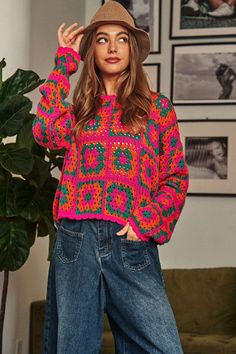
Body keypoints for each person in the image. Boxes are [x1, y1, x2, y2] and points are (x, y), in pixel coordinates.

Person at [32, 1, 189, 353]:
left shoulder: (157, 109)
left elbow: (175, 177)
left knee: (163, 347)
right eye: (102, 39)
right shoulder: (80, 112)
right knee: (73, 348)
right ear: (92, 51)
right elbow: (43, 130)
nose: (113, 47)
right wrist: (63, 62)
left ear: (132, 49)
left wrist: (145, 221)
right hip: (77, 240)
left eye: (121, 39)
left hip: (130, 241)